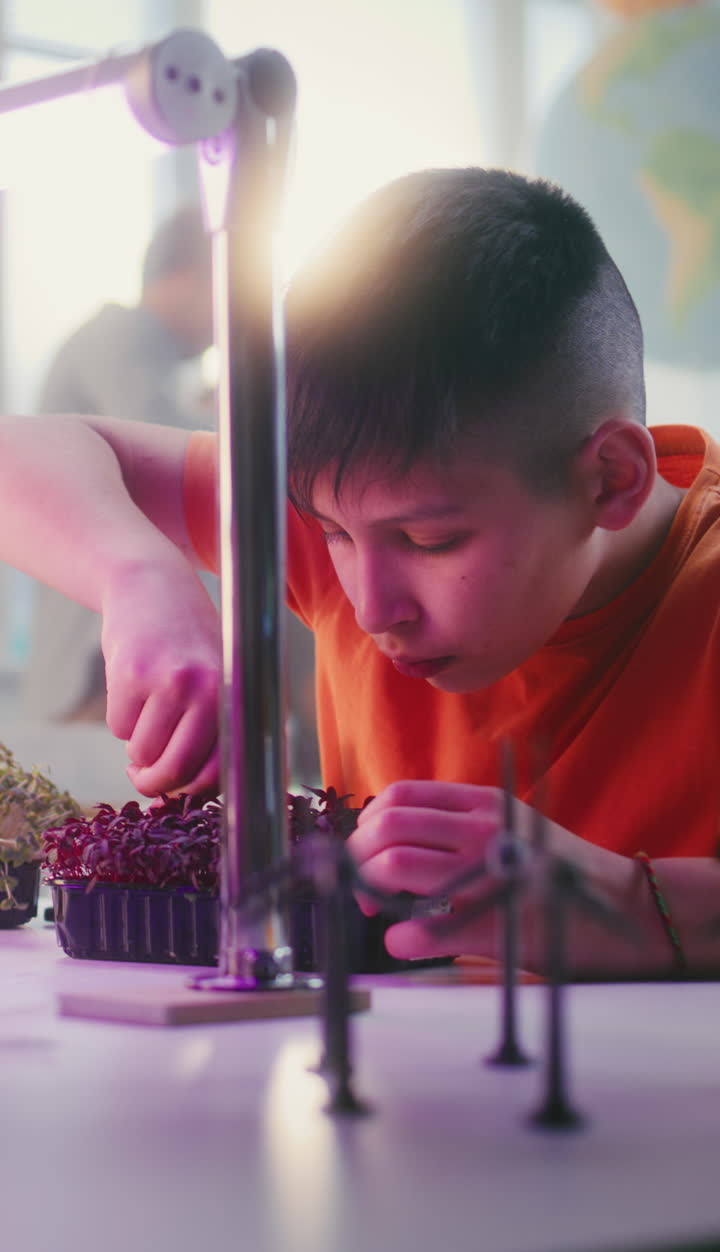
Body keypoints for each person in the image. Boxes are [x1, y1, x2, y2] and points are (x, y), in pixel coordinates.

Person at [0, 167, 718, 978]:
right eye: (335, 533)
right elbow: (19, 450)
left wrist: (629, 903)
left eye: (430, 540)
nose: (372, 609)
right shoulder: (335, 511)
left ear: (611, 480)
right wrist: (140, 579)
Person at [21, 203, 215, 723]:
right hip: (96, 660)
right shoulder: (122, 336)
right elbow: (181, 455)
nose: (229, 321)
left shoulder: (147, 355)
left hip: (106, 650)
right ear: (189, 275)